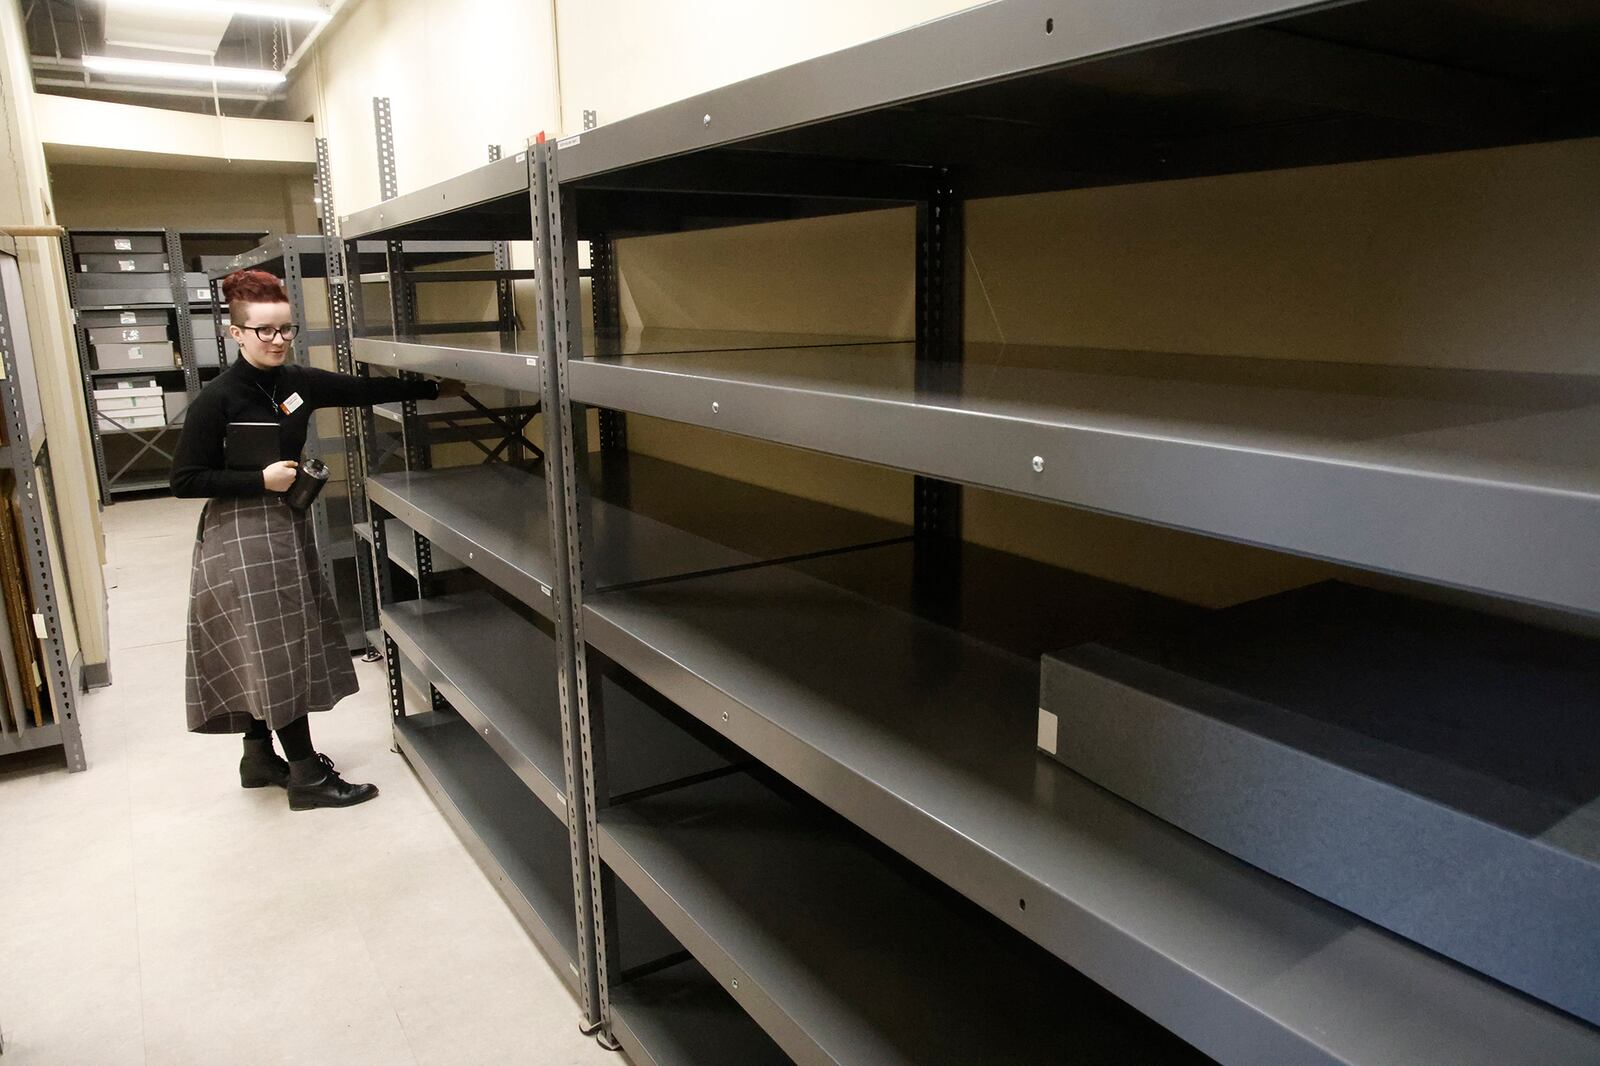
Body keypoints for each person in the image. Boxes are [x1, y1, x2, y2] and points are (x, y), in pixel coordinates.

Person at [171, 268, 462, 810]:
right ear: (236, 333)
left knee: (264, 647)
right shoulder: (219, 399)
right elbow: (184, 480)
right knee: (277, 652)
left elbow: (361, 388)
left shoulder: (297, 383)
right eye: (265, 331)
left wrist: (432, 386)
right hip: (241, 537)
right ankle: (305, 776)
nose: (279, 340)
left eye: (286, 329)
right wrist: (260, 479)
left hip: (283, 525)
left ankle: (258, 757)